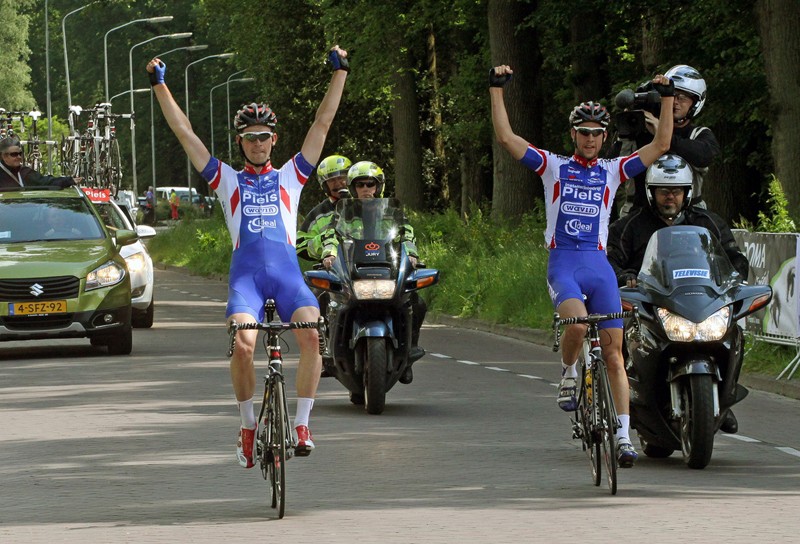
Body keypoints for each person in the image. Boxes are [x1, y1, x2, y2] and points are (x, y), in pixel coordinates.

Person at [147, 44, 349, 468]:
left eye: (264, 137)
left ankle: (302, 425)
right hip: (247, 281)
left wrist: (340, 72)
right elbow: (185, 132)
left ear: (274, 140)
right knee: (243, 344)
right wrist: (160, 84)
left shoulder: (292, 176)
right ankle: (246, 428)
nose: (257, 143)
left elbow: (323, 122)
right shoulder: (226, 179)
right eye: (250, 137)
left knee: (313, 335)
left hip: (289, 277)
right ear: (241, 142)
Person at [489, 63, 675, 467]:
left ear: (605, 138)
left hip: (598, 265)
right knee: (575, 324)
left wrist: (665, 99)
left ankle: (624, 437)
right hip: (564, 263)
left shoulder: (612, 171)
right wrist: (497, 90)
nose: (590, 139)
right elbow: (506, 138)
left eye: (597, 133)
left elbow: (660, 145)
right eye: (583, 133)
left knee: (614, 354)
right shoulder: (554, 165)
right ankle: (569, 372)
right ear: (574, 135)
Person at [607, 153, 748, 434]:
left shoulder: (708, 223)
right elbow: (610, 260)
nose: (669, 197)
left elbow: (733, 257)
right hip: (649, 303)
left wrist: (735, 280)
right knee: (619, 338)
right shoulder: (631, 226)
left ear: (687, 193)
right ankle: (628, 400)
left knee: (734, 333)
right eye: (663, 191)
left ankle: (724, 397)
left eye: (676, 191)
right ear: (651, 192)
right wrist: (625, 277)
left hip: (700, 301)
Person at [319, 160, 426, 383]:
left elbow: (406, 235)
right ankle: (326, 355)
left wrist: (412, 255)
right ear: (352, 187)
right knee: (322, 299)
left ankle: (409, 354)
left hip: (386, 270)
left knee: (416, 302)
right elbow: (331, 235)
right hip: (354, 270)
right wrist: (329, 254)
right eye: (360, 185)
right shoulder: (343, 215)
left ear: (379, 187)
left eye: (370, 184)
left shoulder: (392, 214)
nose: (366, 190)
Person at [612, 64, 720, 216]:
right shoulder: (642, 129)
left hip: (688, 217)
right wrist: (626, 129)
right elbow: (612, 165)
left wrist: (661, 133)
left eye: (682, 97)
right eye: (672, 95)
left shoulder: (699, 134)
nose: (675, 101)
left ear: (695, 103)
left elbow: (705, 156)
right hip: (638, 215)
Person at [296, 154, 352, 262]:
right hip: (333, 268)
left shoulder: (365, 206)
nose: (337, 184)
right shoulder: (317, 214)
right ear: (325, 185)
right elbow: (300, 246)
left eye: (341, 178)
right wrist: (324, 240)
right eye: (331, 180)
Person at [0, 134, 76, 189]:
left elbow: (46, 182)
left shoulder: (25, 173)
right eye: (14, 154)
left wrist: (70, 180)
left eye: (20, 154)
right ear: (4, 156)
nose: (19, 157)